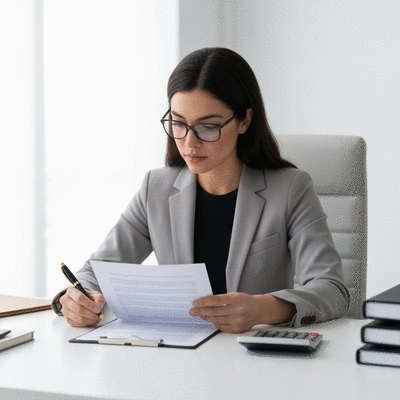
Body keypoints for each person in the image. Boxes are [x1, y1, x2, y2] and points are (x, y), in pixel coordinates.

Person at [52, 47, 349, 333]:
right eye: (178, 124)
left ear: (244, 120)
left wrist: (262, 308)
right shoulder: (155, 188)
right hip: (180, 359)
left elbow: (332, 289)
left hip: (257, 361)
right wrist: (74, 298)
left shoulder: (290, 189)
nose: (189, 144)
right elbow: (94, 271)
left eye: (208, 128)